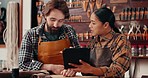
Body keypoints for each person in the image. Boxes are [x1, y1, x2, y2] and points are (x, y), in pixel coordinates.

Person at [62, 7, 132, 77]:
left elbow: (118, 70)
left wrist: (92, 70)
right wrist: (74, 69)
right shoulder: (93, 42)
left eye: (93, 23)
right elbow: (86, 68)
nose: (89, 26)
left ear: (106, 25)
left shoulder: (121, 41)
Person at [19, 0, 80, 75]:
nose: (56, 25)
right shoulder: (31, 34)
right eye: (52, 20)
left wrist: (72, 69)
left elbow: (79, 59)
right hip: (42, 76)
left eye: (60, 20)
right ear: (45, 16)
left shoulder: (69, 31)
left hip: (65, 76)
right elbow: (23, 64)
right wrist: (51, 67)